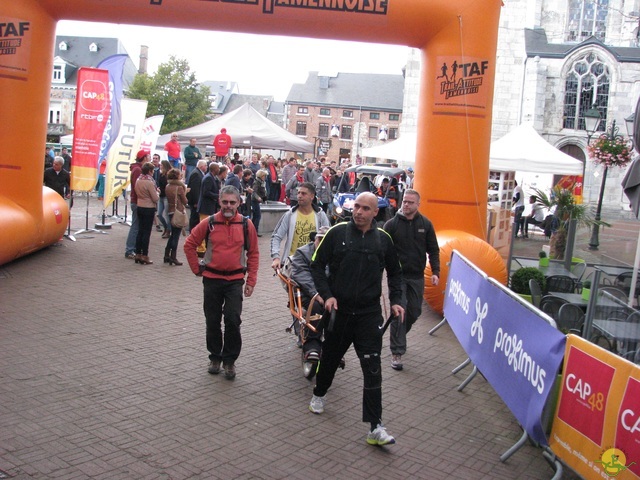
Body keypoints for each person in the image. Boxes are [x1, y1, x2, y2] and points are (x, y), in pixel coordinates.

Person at [308, 192, 404, 447]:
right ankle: (319, 392)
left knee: (372, 368)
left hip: (369, 315)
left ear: (375, 213)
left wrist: (396, 301)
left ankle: (375, 426)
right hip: (339, 311)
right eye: (356, 207)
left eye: (365, 208)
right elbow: (316, 266)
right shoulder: (337, 233)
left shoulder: (384, 240)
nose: (359, 212)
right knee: (329, 358)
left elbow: (395, 274)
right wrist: (326, 295)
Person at [184, 185, 259, 380]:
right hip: (212, 280)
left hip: (235, 281)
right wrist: (196, 268)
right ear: (219, 202)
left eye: (232, 202)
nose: (228, 206)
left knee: (233, 320)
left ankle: (229, 361)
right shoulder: (209, 223)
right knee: (212, 321)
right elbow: (189, 244)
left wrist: (251, 280)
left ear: (238, 204)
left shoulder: (245, 225)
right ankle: (215, 357)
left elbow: (253, 254)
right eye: (225, 202)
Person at [383, 189, 440, 371]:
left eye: (410, 202)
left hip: (416, 276)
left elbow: (433, 249)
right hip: (397, 277)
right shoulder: (391, 225)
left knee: (414, 312)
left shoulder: (426, 224)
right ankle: (397, 352)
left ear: (418, 205)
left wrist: (436, 271)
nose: (406, 205)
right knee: (399, 312)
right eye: (404, 201)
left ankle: (399, 336)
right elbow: (382, 250)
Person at [289, 226, 330, 359]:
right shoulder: (302, 253)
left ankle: (333, 346)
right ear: (315, 239)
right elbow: (301, 274)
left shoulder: (334, 253)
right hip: (306, 294)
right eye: (320, 239)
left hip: (327, 293)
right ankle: (312, 346)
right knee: (317, 308)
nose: (323, 243)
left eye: (326, 240)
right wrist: (316, 294)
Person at [270, 182, 330, 271]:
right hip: (292, 264)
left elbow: (328, 238)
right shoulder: (290, 215)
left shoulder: (320, 215)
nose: (299, 196)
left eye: (303, 193)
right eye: (298, 193)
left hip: (313, 264)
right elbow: (276, 237)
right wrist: (276, 257)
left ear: (312, 196)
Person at [133, 162, 159, 265]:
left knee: (140, 231)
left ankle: (138, 253)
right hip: (148, 207)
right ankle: (145, 255)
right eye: (152, 170)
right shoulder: (149, 182)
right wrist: (158, 192)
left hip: (140, 206)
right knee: (146, 233)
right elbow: (155, 198)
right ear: (149, 171)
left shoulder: (138, 180)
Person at [124, 150, 147, 259]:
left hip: (138, 201)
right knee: (136, 226)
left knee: (138, 226)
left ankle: (133, 248)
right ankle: (130, 249)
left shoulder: (138, 168)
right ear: (144, 157)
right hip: (137, 201)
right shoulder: (138, 169)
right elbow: (137, 187)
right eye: (148, 156)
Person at [164, 168, 188, 266]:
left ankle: (166, 254)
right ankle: (173, 257)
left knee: (173, 234)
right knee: (176, 235)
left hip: (170, 211)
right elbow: (185, 201)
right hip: (178, 211)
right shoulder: (179, 188)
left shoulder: (168, 186)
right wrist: (186, 192)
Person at [187, 159, 208, 232]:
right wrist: (196, 202)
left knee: (195, 218)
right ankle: (192, 232)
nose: (207, 167)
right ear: (201, 166)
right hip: (195, 202)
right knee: (194, 218)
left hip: (197, 201)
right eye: (206, 165)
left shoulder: (199, 173)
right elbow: (195, 189)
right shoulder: (196, 174)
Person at [252, 169, 268, 237]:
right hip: (254, 201)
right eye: (264, 176)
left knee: (256, 216)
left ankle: (254, 231)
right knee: (257, 216)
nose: (265, 177)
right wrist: (258, 197)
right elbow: (254, 192)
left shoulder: (262, 182)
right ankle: (254, 231)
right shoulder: (257, 182)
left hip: (257, 201)